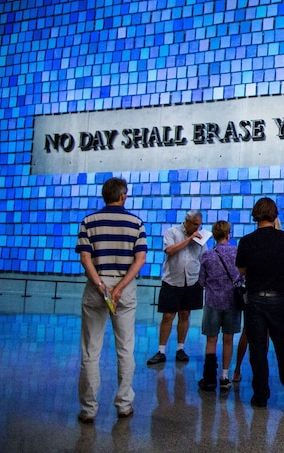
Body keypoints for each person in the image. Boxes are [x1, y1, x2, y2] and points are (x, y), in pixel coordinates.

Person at [76, 177, 147, 423]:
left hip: (97, 286)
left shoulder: (88, 221)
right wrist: (118, 289)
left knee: (90, 350)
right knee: (125, 348)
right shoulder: (136, 223)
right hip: (124, 288)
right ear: (123, 196)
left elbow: (85, 259)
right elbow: (140, 261)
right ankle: (124, 404)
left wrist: (101, 286)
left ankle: (88, 409)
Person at [236, 198, 284, 409]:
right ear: (275, 215)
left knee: (257, 349)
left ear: (255, 214)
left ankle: (260, 395)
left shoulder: (246, 241)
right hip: (277, 299)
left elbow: (242, 270)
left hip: (254, 299)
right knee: (283, 347)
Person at [148, 210, 205, 365]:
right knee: (168, 316)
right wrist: (189, 239)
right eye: (194, 224)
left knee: (185, 314)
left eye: (199, 225)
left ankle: (180, 348)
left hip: (192, 280)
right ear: (186, 221)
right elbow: (170, 250)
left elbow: (203, 258)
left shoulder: (200, 238)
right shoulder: (171, 232)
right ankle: (161, 350)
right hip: (172, 280)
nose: (197, 228)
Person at [197, 220, 241, 392]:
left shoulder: (207, 254)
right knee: (228, 339)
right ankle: (224, 376)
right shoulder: (237, 252)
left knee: (211, 339)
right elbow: (241, 277)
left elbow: (201, 281)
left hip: (212, 302)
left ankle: (209, 379)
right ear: (228, 234)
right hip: (232, 302)